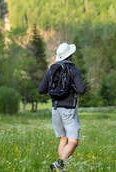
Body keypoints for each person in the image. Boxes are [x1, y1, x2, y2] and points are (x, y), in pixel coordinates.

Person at [38, 42, 86, 171]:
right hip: (69, 110)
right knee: (73, 141)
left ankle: (61, 169)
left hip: (55, 108)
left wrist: (55, 92)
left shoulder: (51, 70)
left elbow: (41, 90)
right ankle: (60, 163)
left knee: (62, 139)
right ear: (70, 56)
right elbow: (82, 90)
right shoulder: (74, 70)